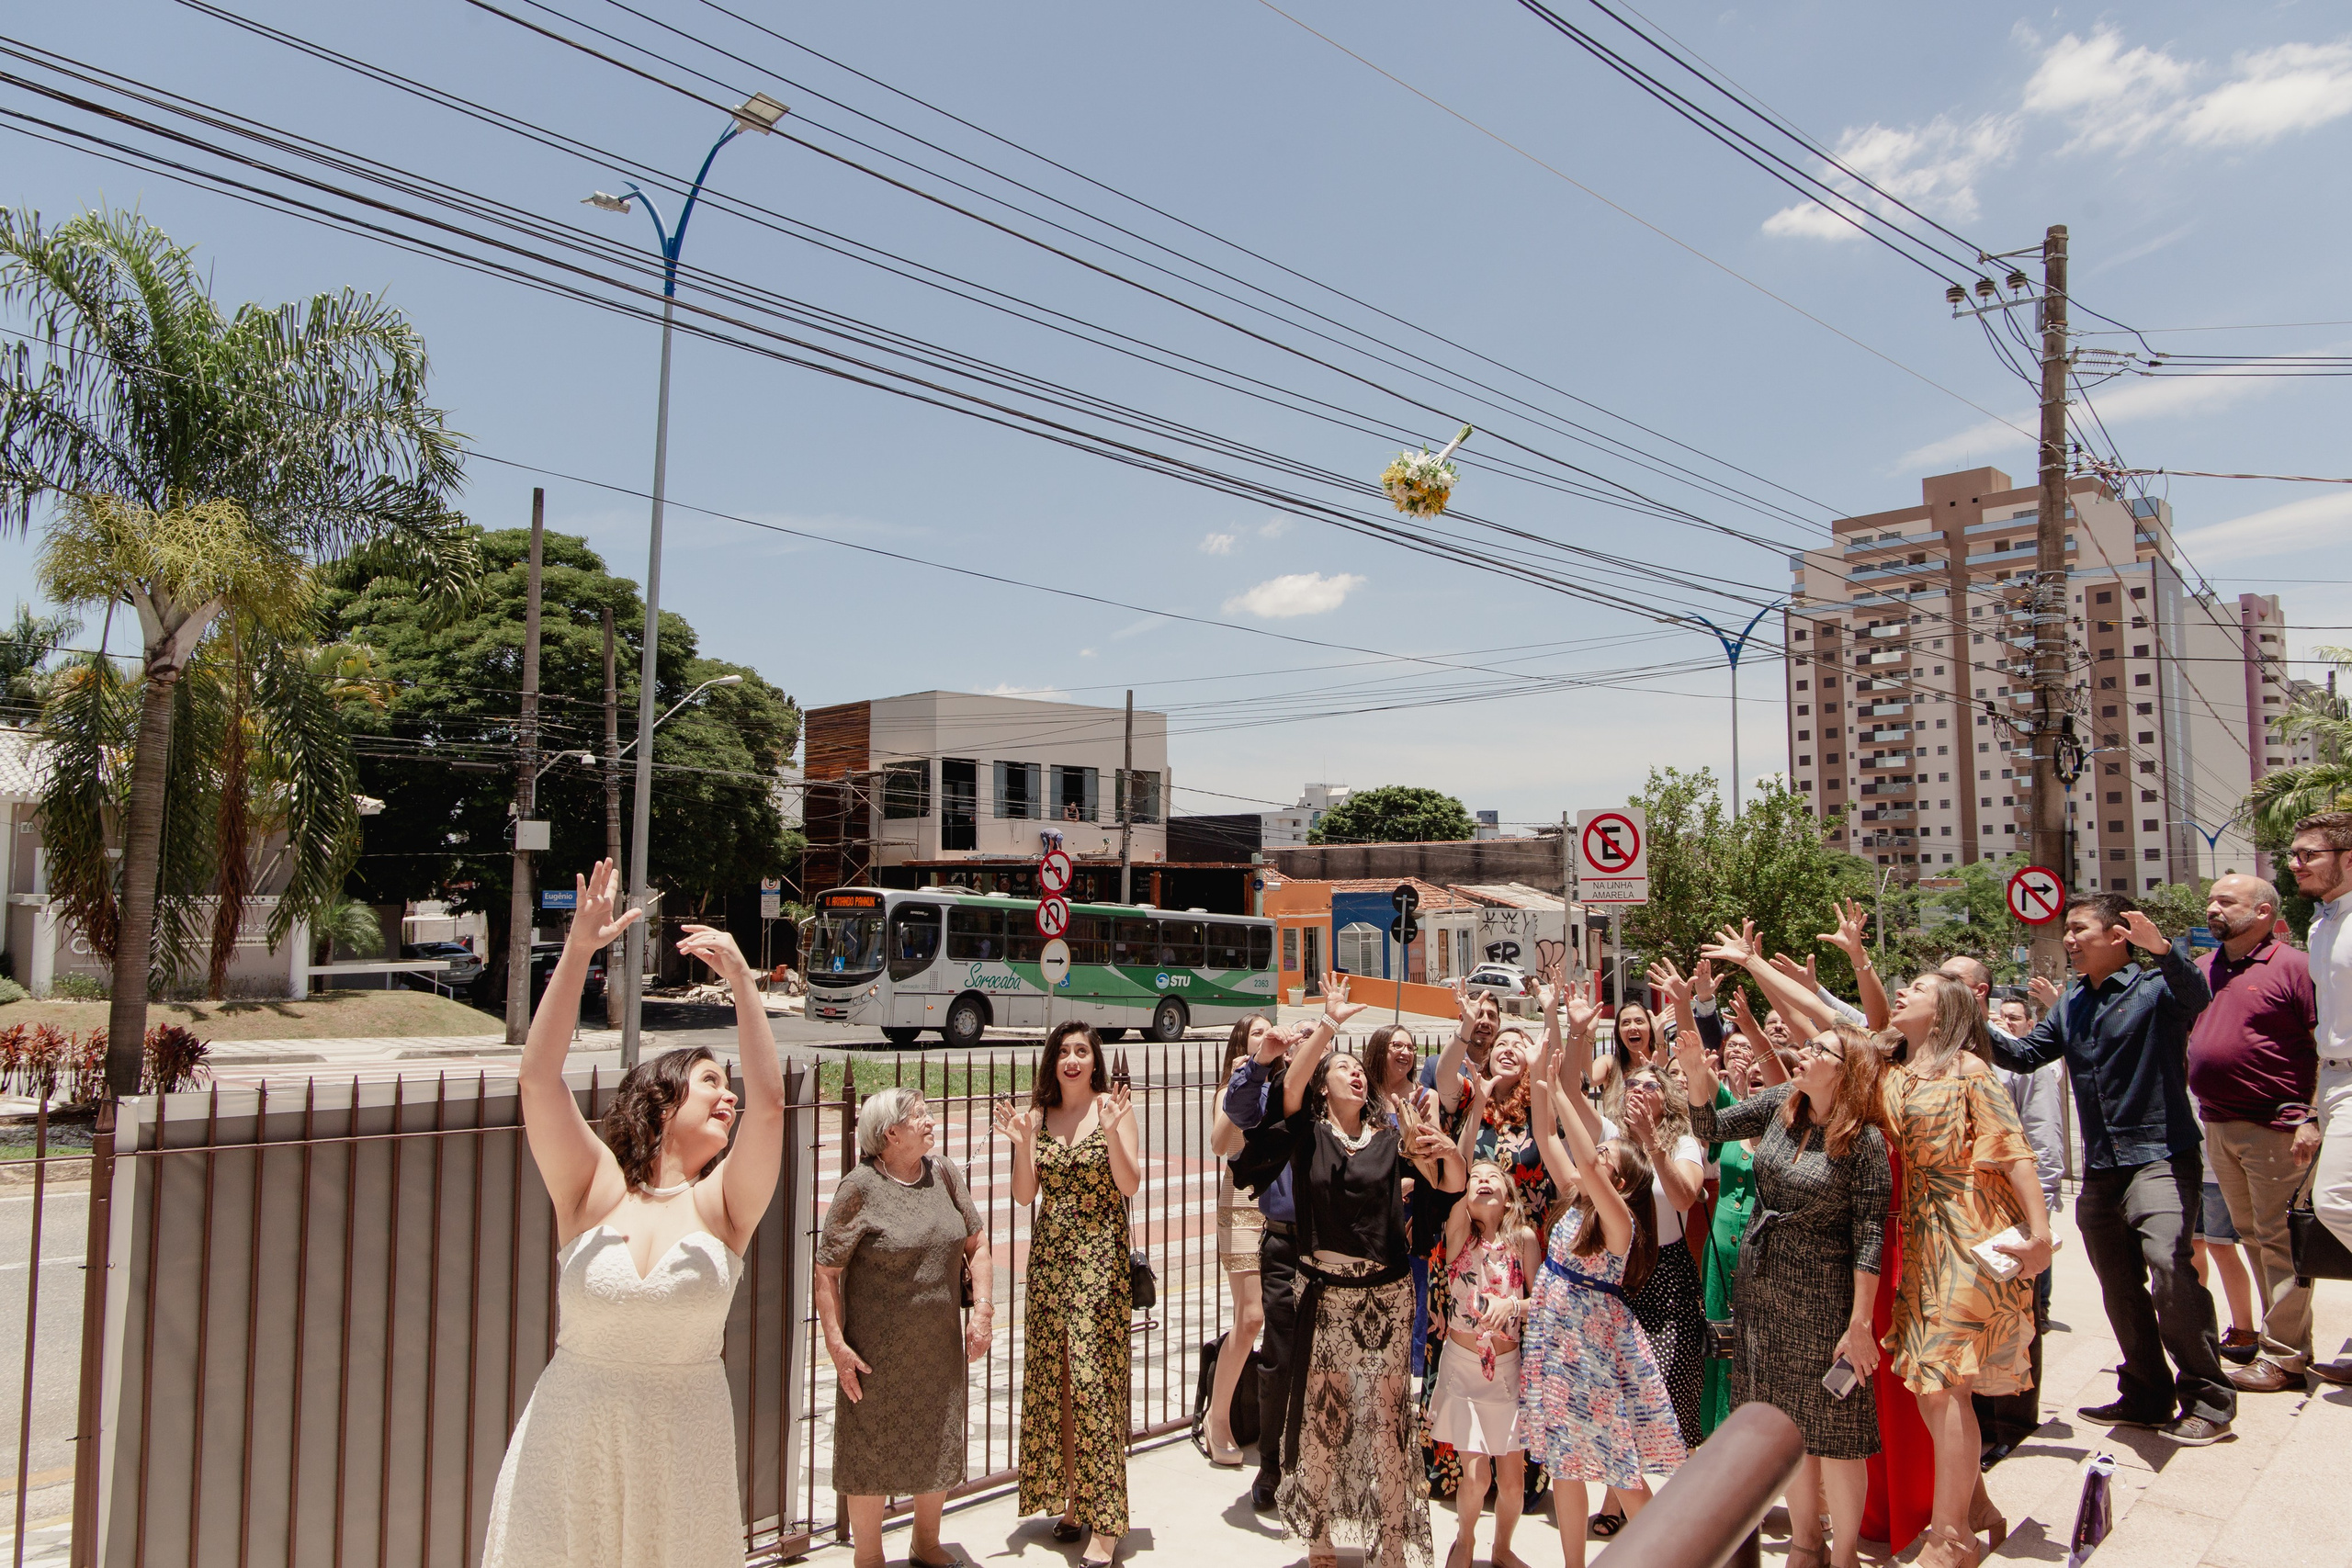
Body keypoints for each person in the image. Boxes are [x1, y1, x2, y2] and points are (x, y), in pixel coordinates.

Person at [482, 863, 784, 1568]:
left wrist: (743, 980)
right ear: (662, 1096)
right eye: (712, 1080)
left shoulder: (723, 1209)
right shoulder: (591, 1187)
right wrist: (579, 948)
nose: (730, 1096)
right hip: (570, 1444)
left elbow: (770, 1103)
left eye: (729, 1085)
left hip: (684, 1457)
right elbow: (536, 1077)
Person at [1990, 895, 2234, 1444]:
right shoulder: (2073, 999)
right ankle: (2146, 1395)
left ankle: (2209, 1399)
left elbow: (2197, 996)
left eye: (2079, 929)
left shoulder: (2156, 986)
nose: (2069, 940)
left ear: (2119, 935)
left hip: (2160, 1155)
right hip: (2102, 1167)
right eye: (2067, 931)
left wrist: (2164, 949)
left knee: (2168, 1264)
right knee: (2119, 1285)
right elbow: (2025, 1054)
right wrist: (1959, 1014)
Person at [1676, 1018, 1891, 1568]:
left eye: (1819, 1049)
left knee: (1835, 1431)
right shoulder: (1780, 1104)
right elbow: (1711, 1126)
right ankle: (1804, 1544)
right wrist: (1699, 1075)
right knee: (1783, 1427)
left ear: (1847, 1073)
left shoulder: (1863, 1141)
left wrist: (1860, 1323)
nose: (1803, 1052)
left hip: (1824, 1298)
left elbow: (1871, 1234)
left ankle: (1842, 1556)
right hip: (1761, 1289)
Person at [1276, 976, 1465, 1568]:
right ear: (1325, 1086)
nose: (1356, 1073)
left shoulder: (1393, 1137)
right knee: (1327, 1417)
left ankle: (1390, 1540)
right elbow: (1288, 1086)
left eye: (1361, 1068)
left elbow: (1452, 1186)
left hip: (1384, 1296)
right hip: (1327, 1295)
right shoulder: (1307, 1136)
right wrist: (1329, 1024)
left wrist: (1444, 1149)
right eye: (1343, 1069)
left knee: (1389, 1418)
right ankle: (1320, 1536)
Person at [1879, 973, 2052, 1568]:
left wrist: (2041, 1231)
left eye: (1918, 987)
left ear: (1946, 1006)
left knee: (1947, 1382)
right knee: (1934, 1389)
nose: (1903, 991)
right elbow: (1834, 1025)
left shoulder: (1970, 1069)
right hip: (1925, 1235)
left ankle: (1949, 1536)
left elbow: (2013, 1148)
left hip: (1971, 1228)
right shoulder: (1901, 1074)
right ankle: (1974, 1508)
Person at [1522, 982, 1685, 1568]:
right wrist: (1545, 1077)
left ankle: (1667, 1555)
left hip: (1592, 1348)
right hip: (1556, 1343)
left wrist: (1560, 1090)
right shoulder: (1580, 1203)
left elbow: (1586, 1156)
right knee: (1566, 1467)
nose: (1600, 1161)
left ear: (1623, 1182)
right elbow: (1545, 1137)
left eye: (1611, 1163)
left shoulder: (1620, 1224)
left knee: (1618, 1464)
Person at [818, 1086, 992, 1568]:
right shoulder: (860, 1187)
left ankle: (926, 1542)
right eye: (919, 1116)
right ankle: (868, 1557)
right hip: (875, 1352)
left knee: (936, 1439)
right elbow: (828, 1270)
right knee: (869, 1451)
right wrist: (836, 1344)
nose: (929, 1120)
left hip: (936, 1346)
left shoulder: (945, 1174)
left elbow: (977, 1245)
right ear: (890, 1133)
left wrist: (983, 1309)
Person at [995, 1021, 1142, 1565]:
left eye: (1082, 1051)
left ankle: (1107, 1521)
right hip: (1050, 1262)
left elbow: (1130, 1185)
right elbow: (1023, 1194)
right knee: (1056, 1381)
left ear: (1095, 1060)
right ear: (1052, 1062)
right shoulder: (1037, 1117)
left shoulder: (1114, 1108)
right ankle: (1075, 1502)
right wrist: (1024, 1144)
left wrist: (1109, 1131)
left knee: (1092, 1382)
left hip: (1099, 1260)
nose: (1072, 1059)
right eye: (1063, 1051)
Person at [2185, 874, 2322, 1393]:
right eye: (2211, 901)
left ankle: (2285, 1357)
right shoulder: (2202, 970)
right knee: (2251, 1239)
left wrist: (2309, 1118)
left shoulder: (2295, 967)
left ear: (2263, 912)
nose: (2213, 908)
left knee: (2278, 1241)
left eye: (2227, 901)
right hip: (2218, 1124)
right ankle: (2282, 1343)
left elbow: (2320, 1047)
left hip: (2277, 1129)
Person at [1941, 959, 2065, 1467]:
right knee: (1971, 1321)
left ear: (1979, 991)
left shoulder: (2016, 1053)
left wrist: (2039, 1225)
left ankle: (2011, 1423)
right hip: (1959, 1210)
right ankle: (1973, 1423)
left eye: (1952, 981)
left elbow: (2041, 1140)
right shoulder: (1940, 1050)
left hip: (2009, 1213)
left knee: (2017, 1320)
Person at [1225, 1009, 1318, 1513]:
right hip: (1284, 1244)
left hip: (1334, 1250)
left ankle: (1322, 1460)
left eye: (1319, 1043)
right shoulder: (1275, 1093)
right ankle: (1271, 1466)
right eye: (1301, 1040)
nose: (1311, 1049)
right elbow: (1237, 1110)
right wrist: (1263, 1059)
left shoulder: (1339, 1094)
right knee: (1280, 1359)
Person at [1430, 1159, 1540, 1568]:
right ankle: (1467, 1539)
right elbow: (1458, 1181)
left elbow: (1541, 1300)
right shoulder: (1459, 1235)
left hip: (1508, 1374)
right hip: (1464, 1369)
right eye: (1476, 1177)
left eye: (1493, 1176)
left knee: (1512, 1486)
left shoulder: (1524, 1239)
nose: (1483, 1181)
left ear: (1509, 1197)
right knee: (1476, 1478)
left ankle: (1502, 1548)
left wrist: (1512, 1305)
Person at [2288, 812, 2352, 1287]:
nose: (2296, 864)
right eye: (2294, 854)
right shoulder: (2322, 925)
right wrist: (2312, 1111)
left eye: (2310, 855)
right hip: (2332, 1079)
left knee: (2335, 1203)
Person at [1206, 1020, 1274, 1466]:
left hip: (1281, 1202)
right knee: (1250, 1318)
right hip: (1243, 1202)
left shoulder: (1283, 1085)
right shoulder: (1232, 1088)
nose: (1265, 1038)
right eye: (1256, 1033)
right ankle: (1218, 1418)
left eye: (1270, 1032)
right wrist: (1239, 1085)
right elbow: (1217, 1144)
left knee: (1281, 1316)